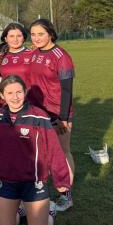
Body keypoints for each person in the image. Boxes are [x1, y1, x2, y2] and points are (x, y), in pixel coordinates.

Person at [0, 75, 71, 225]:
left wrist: (61, 179)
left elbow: (54, 149)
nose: (15, 97)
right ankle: (20, 210)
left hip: (33, 182)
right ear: (2, 96)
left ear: (25, 92)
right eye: (10, 93)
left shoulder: (39, 116)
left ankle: (49, 211)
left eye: (19, 92)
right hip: (5, 181)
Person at [28, 19, 75, 212]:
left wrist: (63, 118)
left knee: (62, 153)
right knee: (41, 153)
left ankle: (66, 195)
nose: (37, 38)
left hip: (57, 114)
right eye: (33, 34)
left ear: (50, 34)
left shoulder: (61, 56)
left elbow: (67, 89)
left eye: (41, 34)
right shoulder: (34, 53)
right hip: (37, 112)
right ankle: (41, 192)